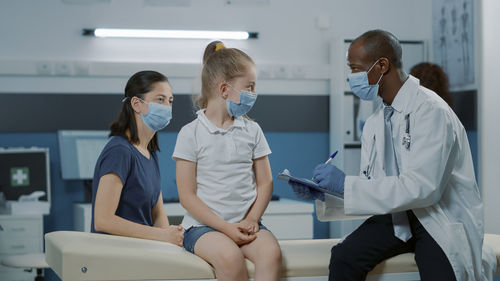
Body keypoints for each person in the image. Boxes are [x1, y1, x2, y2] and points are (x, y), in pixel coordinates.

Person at [289, 30, 496, 281]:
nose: (351, 77)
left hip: (436, 217)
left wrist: (346, 184)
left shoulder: (430, 110)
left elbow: (423, 188)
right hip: (399, 218)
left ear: (382, 65)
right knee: (344, 256)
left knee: (440, 273)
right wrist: (329, 193)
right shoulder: (376, 121)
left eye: (355, 69)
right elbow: (375, 188)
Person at [173, 41, 282, 281]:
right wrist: (225, 228)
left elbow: (266, 183)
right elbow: (187, 196)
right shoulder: (190, 133)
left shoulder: (252, 130)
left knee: (271, 253)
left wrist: (252, 219)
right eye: (249, 87)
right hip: (202, 228)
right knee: (230, 258)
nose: (254, 94)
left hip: (246, 223)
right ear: (224, 90)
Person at [91, 70, 184, 247]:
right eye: (160, 99)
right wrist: (161, 236)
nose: (167, 106)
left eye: (170, 101)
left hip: (142, 251)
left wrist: (171, 237)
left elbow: (157, 214)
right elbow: (102, 220)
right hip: (117, 254)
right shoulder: (119, 151)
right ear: (136, 104)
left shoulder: (149, 153)